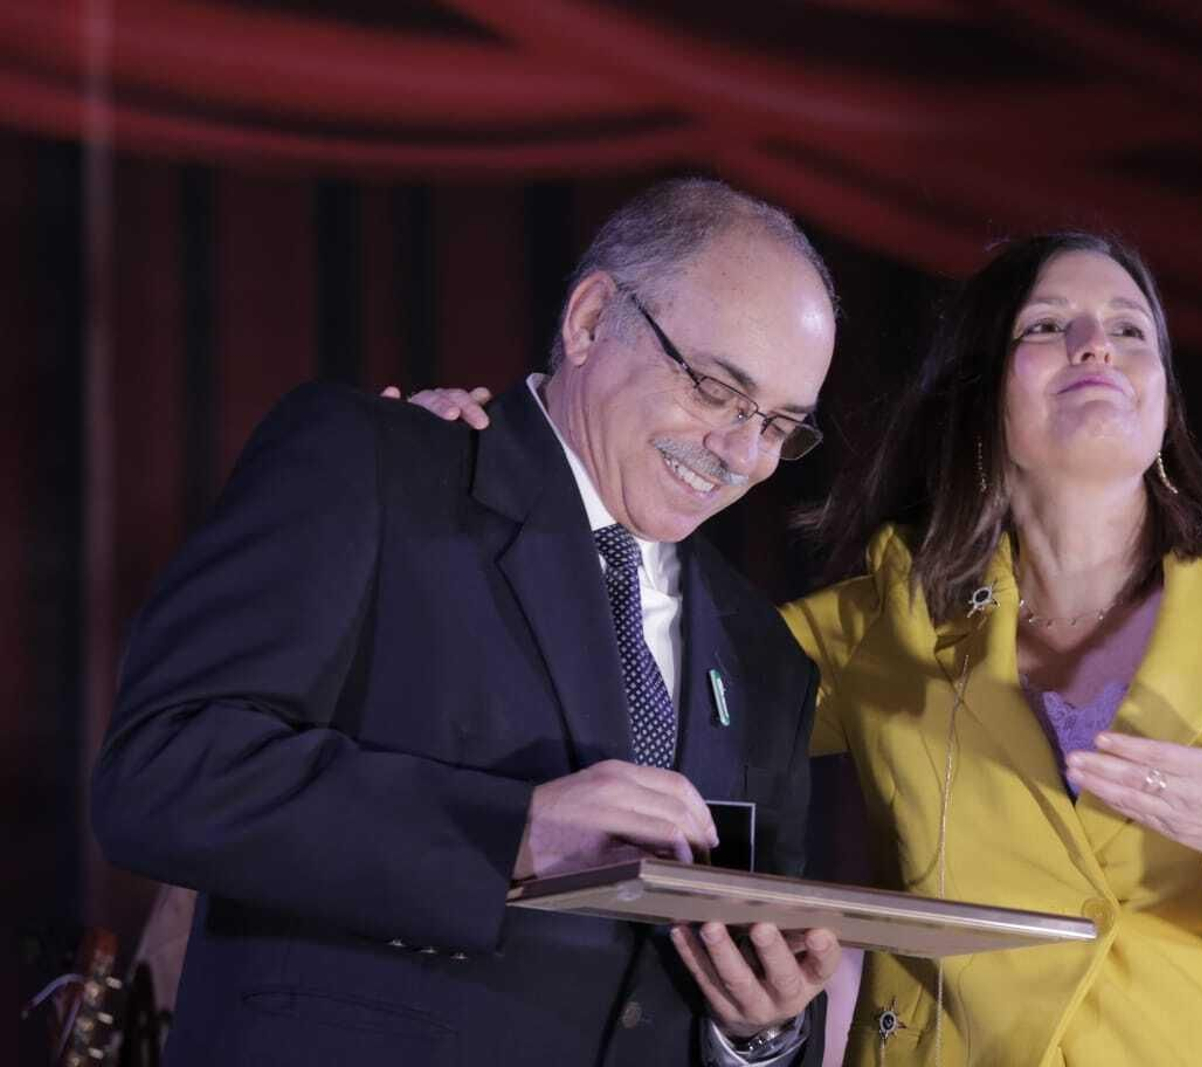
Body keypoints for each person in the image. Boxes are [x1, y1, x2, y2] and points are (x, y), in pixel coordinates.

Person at [411, 230, 1202, 1065]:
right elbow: (621, 665)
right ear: (980, 394)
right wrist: (492, 471)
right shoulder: (882, 619)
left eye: (1129, 328)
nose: (1095, 346)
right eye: (1046, 326)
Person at [92, 178, 844, 1067]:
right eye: (717, 389)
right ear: (593, 318)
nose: (740, 454)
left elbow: (740, 964)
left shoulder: (766, 655)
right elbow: (162, 770)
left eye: (779, 425)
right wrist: (510, 832)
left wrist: (760, 1029)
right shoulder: (377, 464)